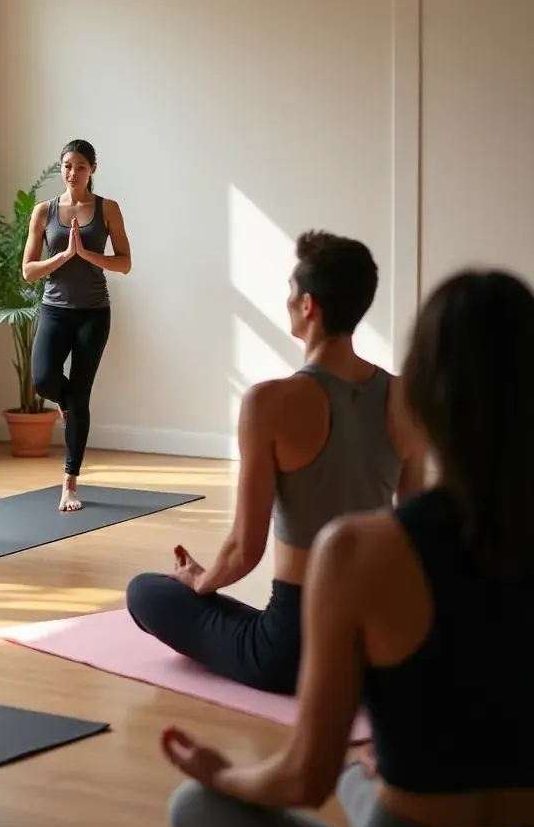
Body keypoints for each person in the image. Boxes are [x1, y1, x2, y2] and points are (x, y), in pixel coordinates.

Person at [163, 266, 534, 827]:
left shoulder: (360, 551)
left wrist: (221, 773)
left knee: (195, 806)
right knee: (358, 774)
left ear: (427, 395)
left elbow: (303, 779)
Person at [126, 231, 427, 695]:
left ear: (308, 305)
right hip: (374, 645)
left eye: (291, 290)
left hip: (292, 653)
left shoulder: (268, 402)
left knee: (145, 592)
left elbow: (246, 551)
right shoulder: (408, 398)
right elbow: (416, 534)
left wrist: (200, 581)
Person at [22, 139, 132, 512]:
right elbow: (28, 271)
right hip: (55, 309)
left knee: (80, 393)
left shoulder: (107, 209)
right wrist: (65, 256)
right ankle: (67, 402)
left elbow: (125, 263)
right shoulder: (44, 211)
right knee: (43, 380)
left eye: (81, 166)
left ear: (93, 170)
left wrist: (86, 254)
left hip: (93, 313)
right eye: (67, 166)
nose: (73, 173)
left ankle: (69, 482)